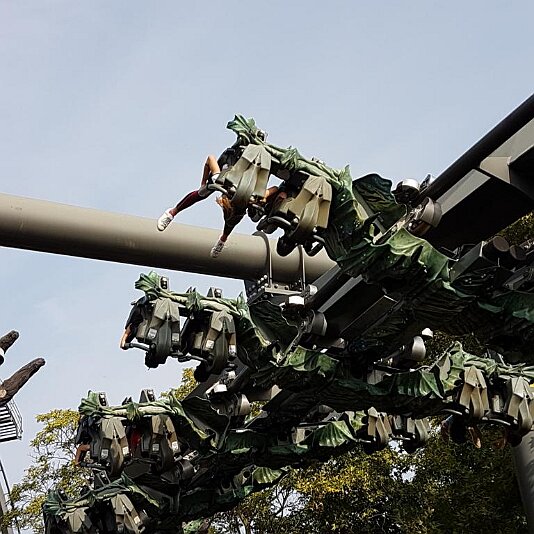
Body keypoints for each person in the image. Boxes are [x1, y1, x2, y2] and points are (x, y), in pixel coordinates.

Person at [156, 155, 221, 232]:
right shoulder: (229, 156)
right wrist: (204, 182)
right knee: (203, 192)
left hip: (231, 187)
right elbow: (210, 158)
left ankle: (223, 238)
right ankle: (172, 212)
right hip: (221, 177)